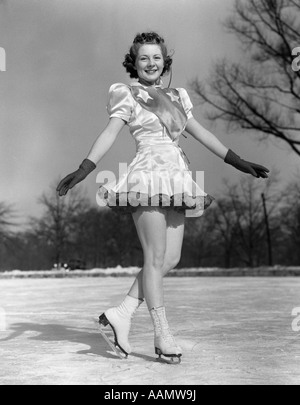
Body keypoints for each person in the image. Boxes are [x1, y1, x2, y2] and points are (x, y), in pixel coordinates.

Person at [57, 32, 269, 363]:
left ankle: (122, 313)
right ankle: (162, 333)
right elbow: (110, 132)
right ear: (134, 63)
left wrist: (238, 161)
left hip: (177, 177)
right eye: (144, 58)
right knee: (154, 257)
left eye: (156, 57)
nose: (151, 63)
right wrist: (84, 168)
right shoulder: (126, 94)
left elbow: (201, 133)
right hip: (146, 175)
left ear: (164, 61)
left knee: (170, 259)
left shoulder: (178, 97)